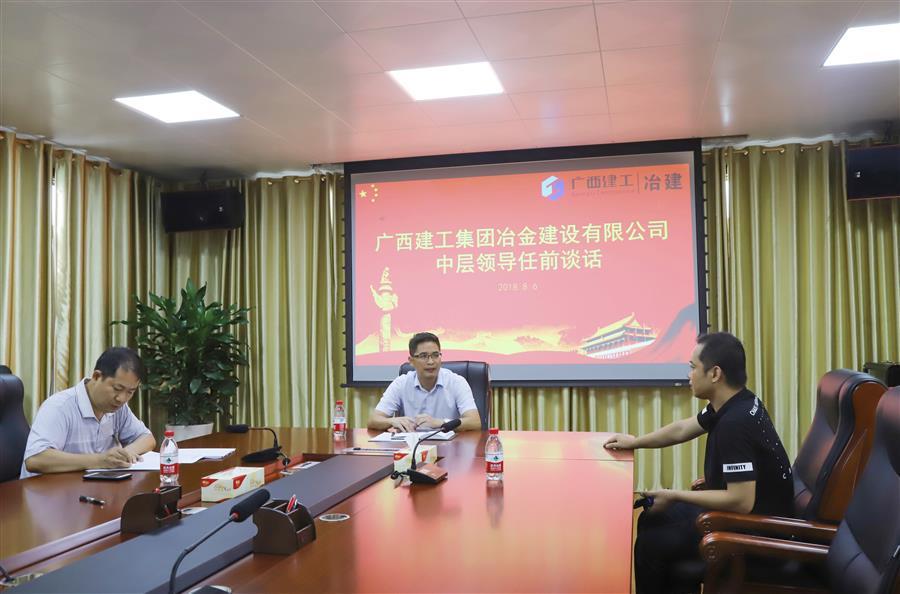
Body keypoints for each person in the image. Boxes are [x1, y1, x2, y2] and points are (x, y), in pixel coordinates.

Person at [604, 332, 793, 594]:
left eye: (693, 367)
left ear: (715, 374)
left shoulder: (735, 424)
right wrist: (635, 442)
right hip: (744, 519)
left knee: (651, 545)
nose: (689, 375)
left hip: (756, 536)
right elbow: (683, 429)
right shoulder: (736, 402)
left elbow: (741, 501)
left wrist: (674, 495)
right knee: (651, 517)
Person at [21, 347, 156, 478]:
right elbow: (35, 459)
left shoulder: (118, 408)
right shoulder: (59, 406)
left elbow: (147, 438)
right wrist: (100, 460)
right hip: (48, 489)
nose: (121, 398)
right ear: (96, 376)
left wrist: (124, 454)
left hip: (91, 486)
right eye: (117, 388)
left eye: (130, 392)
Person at [367, 332, 482, 432]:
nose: (431, 362)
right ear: (411, 361)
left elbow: (475, 422)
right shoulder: (401, 383)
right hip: (412, 446)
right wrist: (392, 421)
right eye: (423, 356)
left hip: (449, 446)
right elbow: (373, 420)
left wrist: (440, 423)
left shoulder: (456, 382)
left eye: (435, 355)